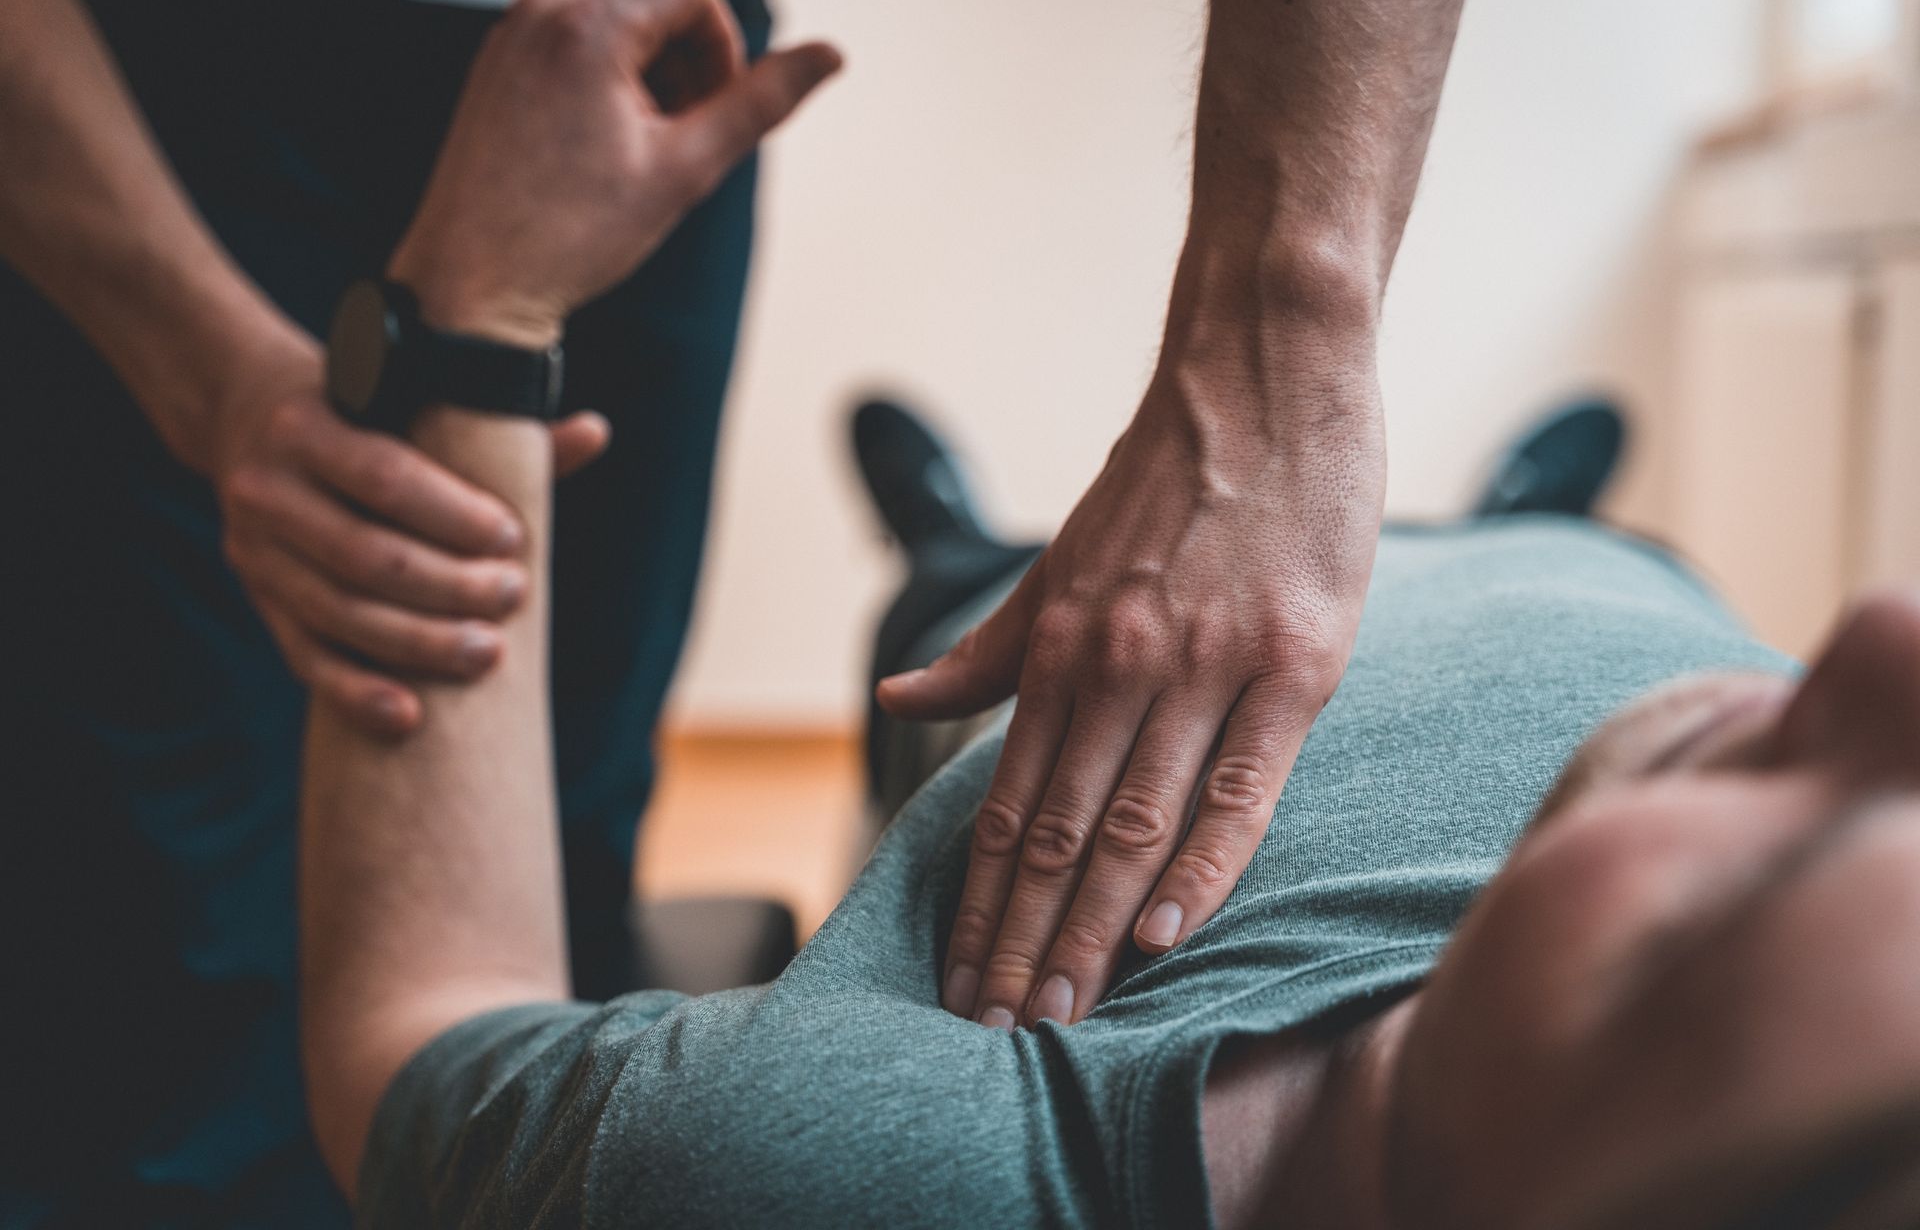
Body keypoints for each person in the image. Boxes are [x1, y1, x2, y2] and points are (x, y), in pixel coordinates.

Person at [2, 0, 1479, 1220]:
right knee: (143, 921)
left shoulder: (809, 1157)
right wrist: (205, 354)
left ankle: (947, 544)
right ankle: (962, 545)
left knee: (549, 810)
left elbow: (444, 1046)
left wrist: (477, 321)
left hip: (639, 18)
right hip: (128, 49)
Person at [298, 270, 1920, 1227]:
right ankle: (1524, 510)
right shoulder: (1689, 793)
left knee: (951, 621)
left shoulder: (878, 1160)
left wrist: (478, 313)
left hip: (1055, 605)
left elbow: (412, 1025)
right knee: (1564, 535)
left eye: (1752, 886)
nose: (1880, 632)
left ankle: (938, 535)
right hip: (1593, 578)